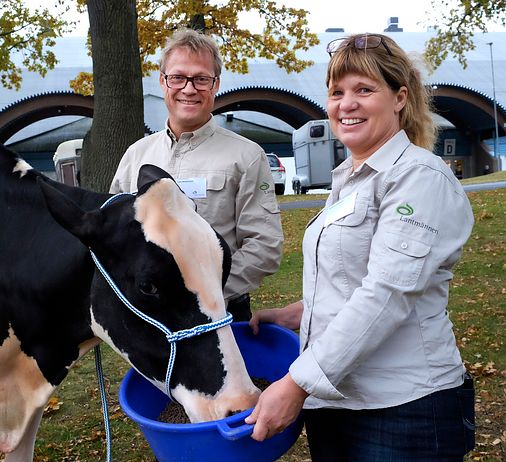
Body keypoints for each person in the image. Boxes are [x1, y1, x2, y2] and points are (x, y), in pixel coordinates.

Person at [245, 33, 476, 461]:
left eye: (364, 90)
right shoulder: (350, 179)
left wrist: (296, 383)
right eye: (337, 92)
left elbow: (387, 293)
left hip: (402, 409)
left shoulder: (419, 177)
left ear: (399, 97)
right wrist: (294, 314)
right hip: (335, 403)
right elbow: (354, 278)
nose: (346, 104)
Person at [109, 28, 283, 322]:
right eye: (178, 77)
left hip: (223, 314)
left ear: (215, 84)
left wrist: (204, 291)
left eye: (201, 79)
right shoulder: (135, 156)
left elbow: (264, 246)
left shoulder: (247, 156)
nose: (189, 89)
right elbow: (115, 238)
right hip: (150, 320)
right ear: (163, 81)